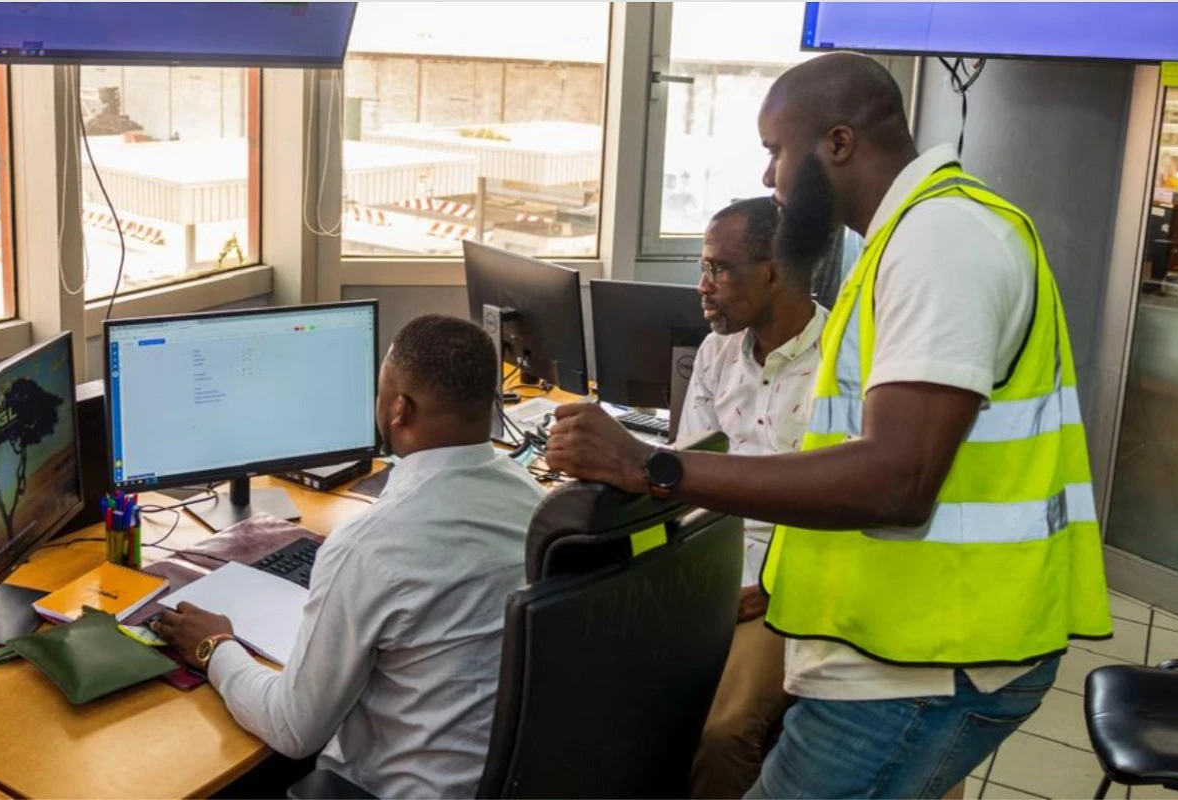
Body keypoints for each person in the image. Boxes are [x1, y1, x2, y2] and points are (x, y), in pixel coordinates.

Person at [544, 52, 1112, 798]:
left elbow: (896, 481)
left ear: (837, 144)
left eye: (775, 151)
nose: (768, 176)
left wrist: (651, 468)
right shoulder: (900, 243)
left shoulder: (942, 241)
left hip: (930, 659)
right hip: (889, 640)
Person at [155, 314, 544, 798]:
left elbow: (292, 729)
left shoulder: (371, 545)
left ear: (399, 409)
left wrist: (215, 646)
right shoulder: (536, 504)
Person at [681, 197, 826, 799]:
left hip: (783, 586)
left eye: (719, 268)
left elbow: (845, 506)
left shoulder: (843, 361)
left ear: (773, 272)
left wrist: (772, 584)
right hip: (708, 567)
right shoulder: (718, 352)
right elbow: (688, 470)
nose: (703, 286)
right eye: (703, 266)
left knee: (724, 731)